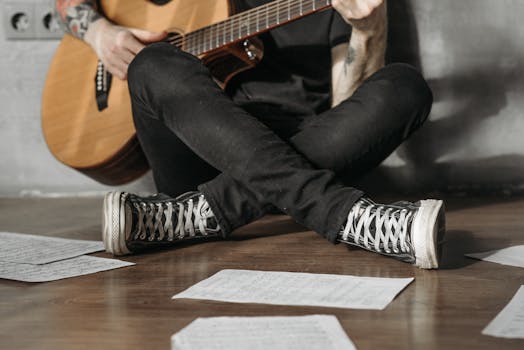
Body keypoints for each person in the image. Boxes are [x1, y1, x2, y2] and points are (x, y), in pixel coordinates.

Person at [55, 0, 445, 269]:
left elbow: (347, 104)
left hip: (310, 150)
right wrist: (100, 34)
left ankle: (194, 216)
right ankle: (342, 215)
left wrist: (367, 31)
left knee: (404, 87)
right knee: (152, 62)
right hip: (200, 156)